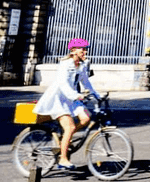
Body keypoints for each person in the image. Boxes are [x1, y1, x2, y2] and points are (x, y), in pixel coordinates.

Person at [32, 38, 101, 169]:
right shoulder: (65, 64)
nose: (85, 52)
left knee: (86, 118)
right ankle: (63, 159)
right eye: (83, 49)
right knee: (70, 127)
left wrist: (98, 95)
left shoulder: (81, 65)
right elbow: (63, 84)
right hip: (59, 99)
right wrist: (76, 95)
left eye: (86, 50)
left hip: (72, 99)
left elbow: (86, 83)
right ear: (74, 50)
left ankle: (65, 138)